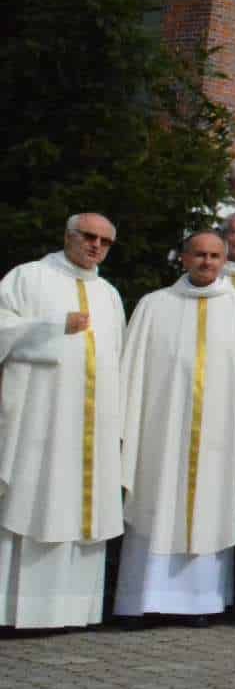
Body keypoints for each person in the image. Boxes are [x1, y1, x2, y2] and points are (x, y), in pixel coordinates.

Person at [116, 231, 235, 622]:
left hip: (220, 433)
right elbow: (131, 372)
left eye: (215, 256)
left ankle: (201, 602)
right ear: (183, 258)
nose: (207, 262)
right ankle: (145, 599)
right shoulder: (153, 306)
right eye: (199, 255)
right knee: (156, 501)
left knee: (210, 505)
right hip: (161, 433)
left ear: (224, 261)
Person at [0, 214, 127, 629]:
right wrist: (52, 328)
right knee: (36, 502)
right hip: (40, 419)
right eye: (88, 237)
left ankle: (74, 612)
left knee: (82, 507)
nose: (95, 246)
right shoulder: (29, 277)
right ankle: (17, 611)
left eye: (105, 242)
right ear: (68, 236)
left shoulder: (108, 294)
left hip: (93, 428)